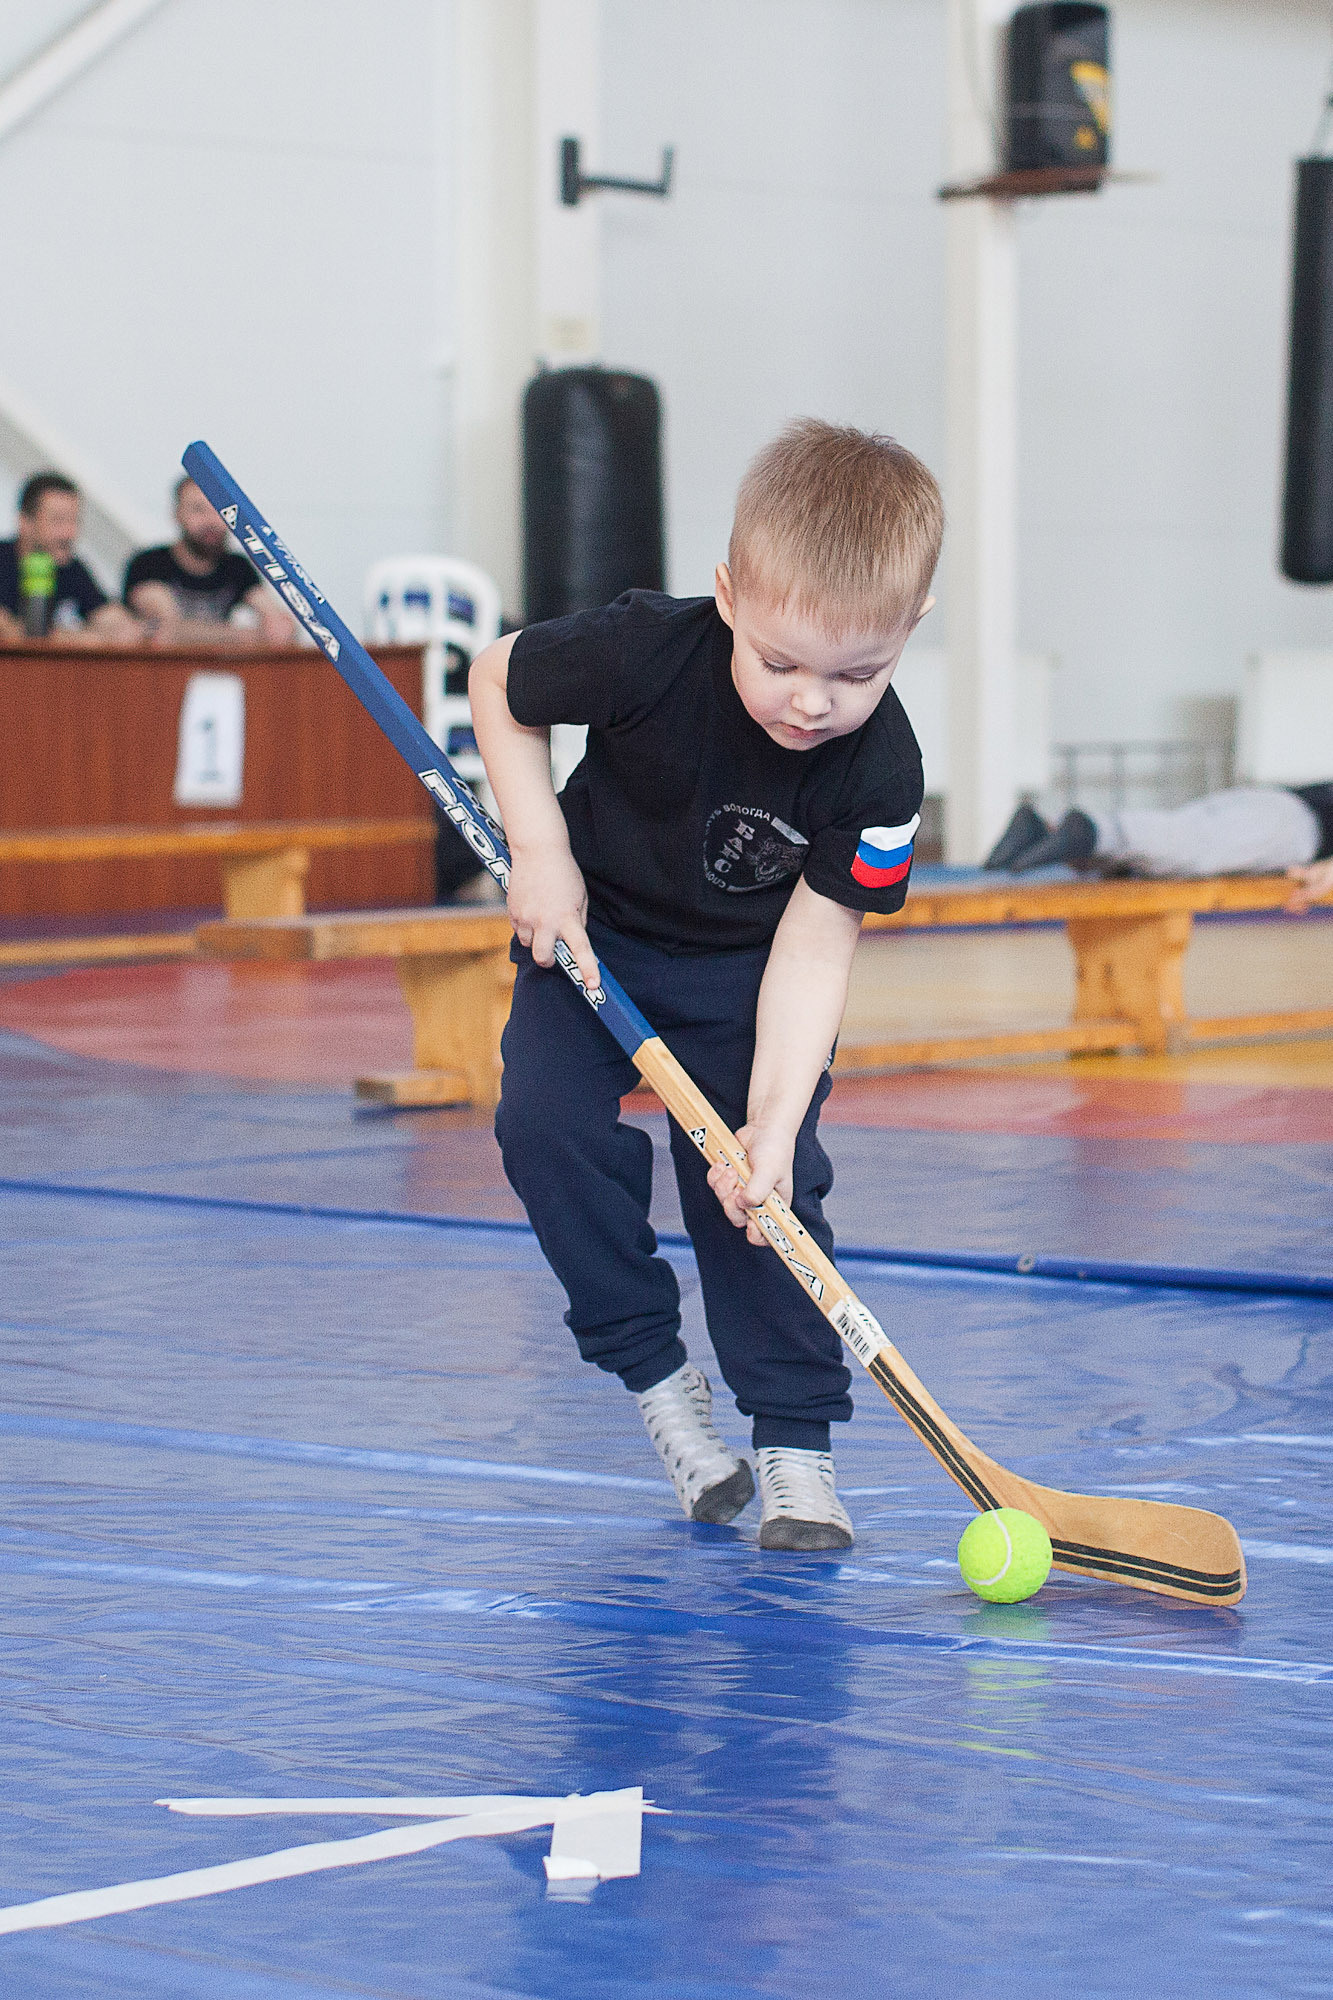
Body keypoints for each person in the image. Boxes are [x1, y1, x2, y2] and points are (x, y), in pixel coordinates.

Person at [469, 420, 941, 1551]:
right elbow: (500, 680)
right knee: (541, 1128)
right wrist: (539, 849)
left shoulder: (884, 773)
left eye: (856, 673)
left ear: (908, 632)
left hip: (747, 976)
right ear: (729, 594)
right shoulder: (646, 649)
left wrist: (772, 1121)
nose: (811, 703)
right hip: (594, 941)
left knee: (762, 1195)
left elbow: (817, 947)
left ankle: (795, 1444)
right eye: (780, 662)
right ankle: (655, 1372)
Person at [984, 788, 1333, 910]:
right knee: (1195, 848)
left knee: (1175, 847)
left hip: (1271, 803)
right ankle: (1091, 831)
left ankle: (1045, 830)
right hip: (1298, 825)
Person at [124, 476, 296, 646]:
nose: (211, 520)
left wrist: (277, 625)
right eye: (198, 509)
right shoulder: (148, 564)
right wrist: (250, 636)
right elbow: (169, 630)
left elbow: (279, 626)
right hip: (159, 671)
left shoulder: (237, 566)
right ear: (176, 514)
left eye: (220, 511)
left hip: (218, 671)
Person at [0, 472, 139, 644]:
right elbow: (15, 635)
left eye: (74, 521)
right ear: (25, 522)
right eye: (57, 521)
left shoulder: (73, 568)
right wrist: (82, 637)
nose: (69, 533)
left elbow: (123, 629)